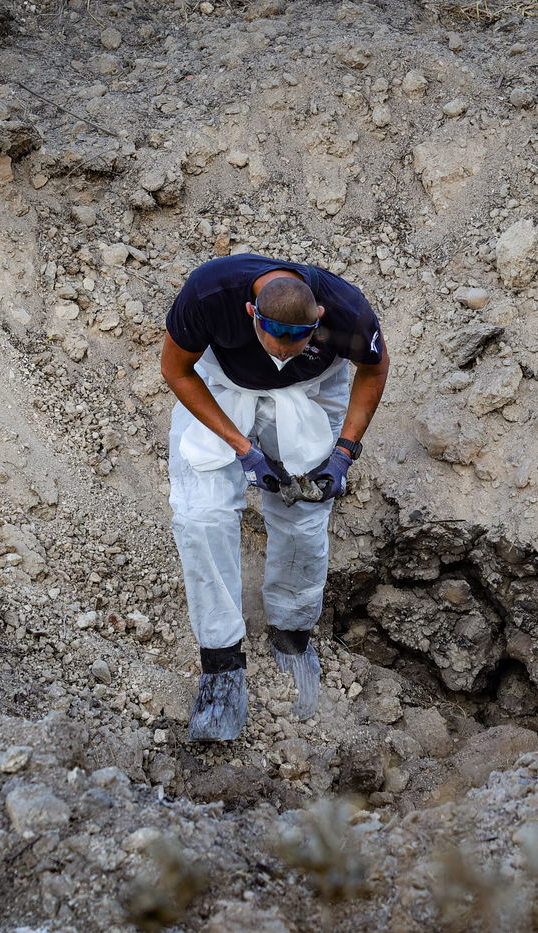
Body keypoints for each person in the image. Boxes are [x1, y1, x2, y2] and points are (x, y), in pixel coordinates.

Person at [161, 254, 389, 741]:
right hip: (221, 386)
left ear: (319, 320)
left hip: (310, 392)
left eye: (298, 340)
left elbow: (373, 370)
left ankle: (291, 634)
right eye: (274, 339)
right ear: (251, 315)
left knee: (305, 511)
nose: (283, 352)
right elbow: (177, 371)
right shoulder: (209, 295)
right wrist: (245, 451)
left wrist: (344, 453)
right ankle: (221, 665)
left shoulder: (348, 313)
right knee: (201, 515)